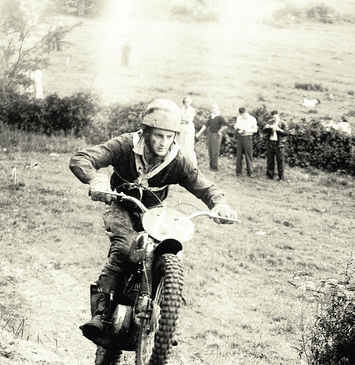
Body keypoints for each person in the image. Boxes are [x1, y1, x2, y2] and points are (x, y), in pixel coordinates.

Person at [69, 98, 238, 346]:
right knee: (125, 248)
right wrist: (96, 179)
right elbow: (81, 158)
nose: (163, 142)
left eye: (169, 137)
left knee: (168, 251)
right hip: (122, 207)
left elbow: (204, 186)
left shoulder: (177, 159)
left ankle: (166, 318)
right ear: (146, 132)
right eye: (158, 135)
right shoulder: (125, 145)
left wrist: (220, 205)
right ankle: (102, 313)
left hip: (155, 213)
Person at [195, 104, 227, 171]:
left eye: (214, 108)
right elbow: (205, 125)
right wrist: (198, 134)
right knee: (210, 150)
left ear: (217, 108)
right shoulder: (211, 116)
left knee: (215, 151)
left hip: (216, 135)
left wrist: (220, 130)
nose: (213, 109)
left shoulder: (220, 117)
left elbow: (226, 125)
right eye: (212, 108)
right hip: (210, 134)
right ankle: (211, 166)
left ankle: (215, 167)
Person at [263, 110, 289, 181]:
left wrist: (278, 129)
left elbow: (286, 133)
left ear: (278, 116)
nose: (274, 119)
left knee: (280, 160)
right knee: (270, 159)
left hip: (279, 144)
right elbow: (264, 130)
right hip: (270, 142)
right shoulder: (269, 122)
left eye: (275, 117)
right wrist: (268, 127)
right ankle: (270, 175)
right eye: (272, 117)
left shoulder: (283, 123)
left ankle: (281, 177)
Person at [233, 106, 258, 177]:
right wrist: (237, 129)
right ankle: (238, 172)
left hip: (248, 137)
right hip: (240, 137)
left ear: (246, 112)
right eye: (241, 115)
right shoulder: (239, 118)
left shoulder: (252, 119)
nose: (243, 116)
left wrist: (246, 131)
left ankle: (250, 172)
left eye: (244, 114)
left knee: (248, 155)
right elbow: (236, 126)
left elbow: (255, 130)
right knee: (239, 155)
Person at [178, 96, 198, 169]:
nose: (187, 103)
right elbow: (179, 119)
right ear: (183, 102)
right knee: (181, 143)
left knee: (188, 144)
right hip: (181, 128)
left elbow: (189, 120)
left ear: (190, 102)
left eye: (188, 101)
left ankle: (190, 162)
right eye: (185, 101)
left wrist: (183, 120)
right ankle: (181, 161)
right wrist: (183, 120)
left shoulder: (192, 110)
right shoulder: (181, 110)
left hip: (188, 128)